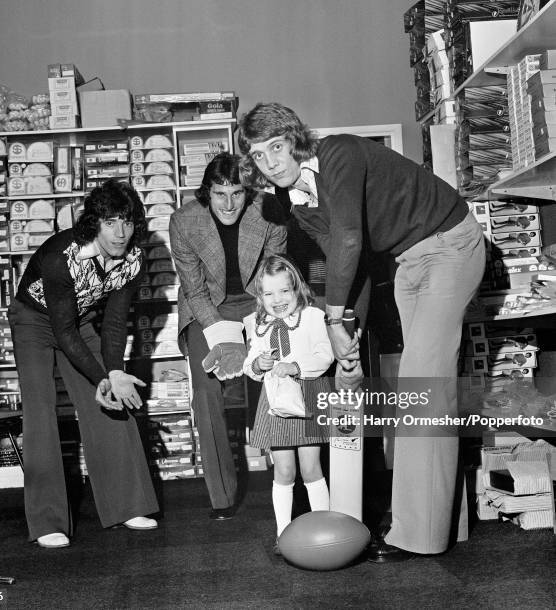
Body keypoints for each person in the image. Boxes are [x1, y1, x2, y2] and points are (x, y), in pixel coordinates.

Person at [237, 102, 486, 562]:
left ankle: (421, 536)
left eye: (276, 146)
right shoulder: (299, 202)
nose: (270, 162)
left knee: (423, 386)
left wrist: (333, 321)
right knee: (424, 389)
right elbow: (354, 266)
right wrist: (349, 341)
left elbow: (350, 237)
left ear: (296, 139)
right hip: (409, 262)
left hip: (451, 246)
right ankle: (435, 521)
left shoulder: (340, 155)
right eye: (257, 155)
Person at [8, 179, 159, 549]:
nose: (120, 232)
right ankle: (47, 521)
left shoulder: (135, 256)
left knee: (112, 403)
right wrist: (102, 378)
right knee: (40, 412)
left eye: (126, 221)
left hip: (81, 320)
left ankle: (127, 505)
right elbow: (62, 331)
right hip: (34, 320)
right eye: (110, 222)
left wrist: (115, 374)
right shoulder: (64, 254)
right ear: (95, 222)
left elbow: (113, 322)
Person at [169, 152, 286, 520]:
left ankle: (287, 477)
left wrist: (259, 329)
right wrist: (223, 338)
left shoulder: (269, 212)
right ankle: (222, 495)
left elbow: (276, 277)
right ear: (207, 193)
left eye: (237, 193)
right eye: (220, 194)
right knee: (206, 387)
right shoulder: (184, 221)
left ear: (247, 191)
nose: (229, 203)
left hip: (259, 302)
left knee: (277, 376)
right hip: (207, 308)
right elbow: (195, 290)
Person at [242, 254, 334, 554]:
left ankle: (324, 528)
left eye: (284, 291)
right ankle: (283, 534)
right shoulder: (258, 324)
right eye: (268, 293)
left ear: (297, 288)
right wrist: (258, 363)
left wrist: (295, 366)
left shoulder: (312, 316)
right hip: (277, 402)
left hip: (307, 398)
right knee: (283, 471)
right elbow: (249, 366)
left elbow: (325, 355)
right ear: (260, 296)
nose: (277, 299)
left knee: (310, 467)